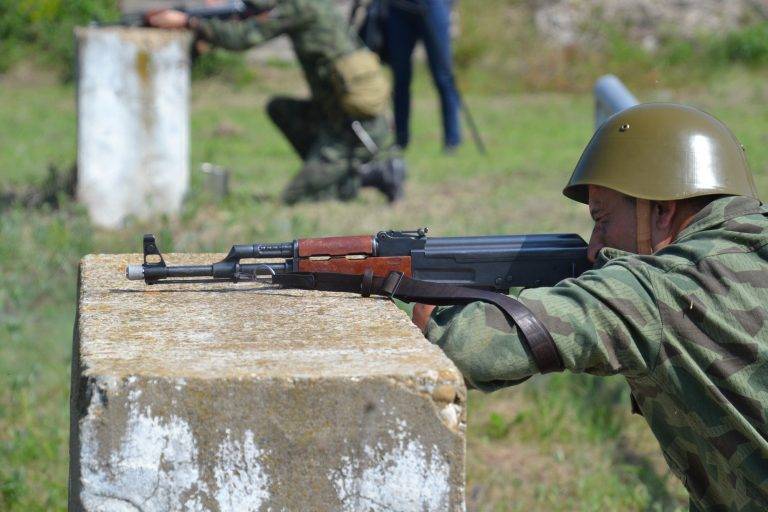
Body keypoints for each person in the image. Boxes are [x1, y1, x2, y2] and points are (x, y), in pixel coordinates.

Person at [412, 103, 768, 510]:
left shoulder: (660, 289)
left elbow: (470, 347)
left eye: (602, 219)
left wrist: (431, 317)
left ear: (663, 211)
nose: (595, 245)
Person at [147, 0, 405, 204]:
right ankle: (333, 174)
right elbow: (255, 10)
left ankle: (372, 174)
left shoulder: (298, 7)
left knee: (294, 197)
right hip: (336, 114)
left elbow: (242, 37)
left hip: (353, 127)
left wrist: (189, 21)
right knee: (280, 109)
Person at [385, 0, 462, 151]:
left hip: (433, 6)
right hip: (398, 7)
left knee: (443, 77)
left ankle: (452, 141)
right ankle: (400, 140)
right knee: (400, 78)